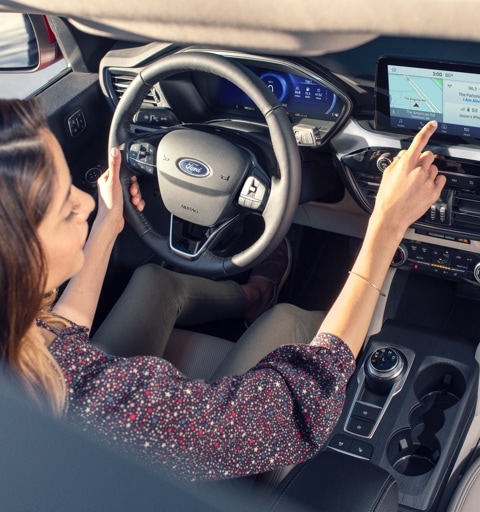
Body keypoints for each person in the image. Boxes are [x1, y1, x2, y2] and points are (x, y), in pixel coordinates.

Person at [0, 97, 446, 482]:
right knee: (288, 320)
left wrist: (106, 225)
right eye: (64, 209)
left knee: (153, 280)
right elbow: (295, 404)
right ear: (17, 260)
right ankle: (367, 319)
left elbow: (59, 334)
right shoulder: (104, 410)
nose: (84, 200)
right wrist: (385, 228)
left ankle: (254, 296)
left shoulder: (23, 339)